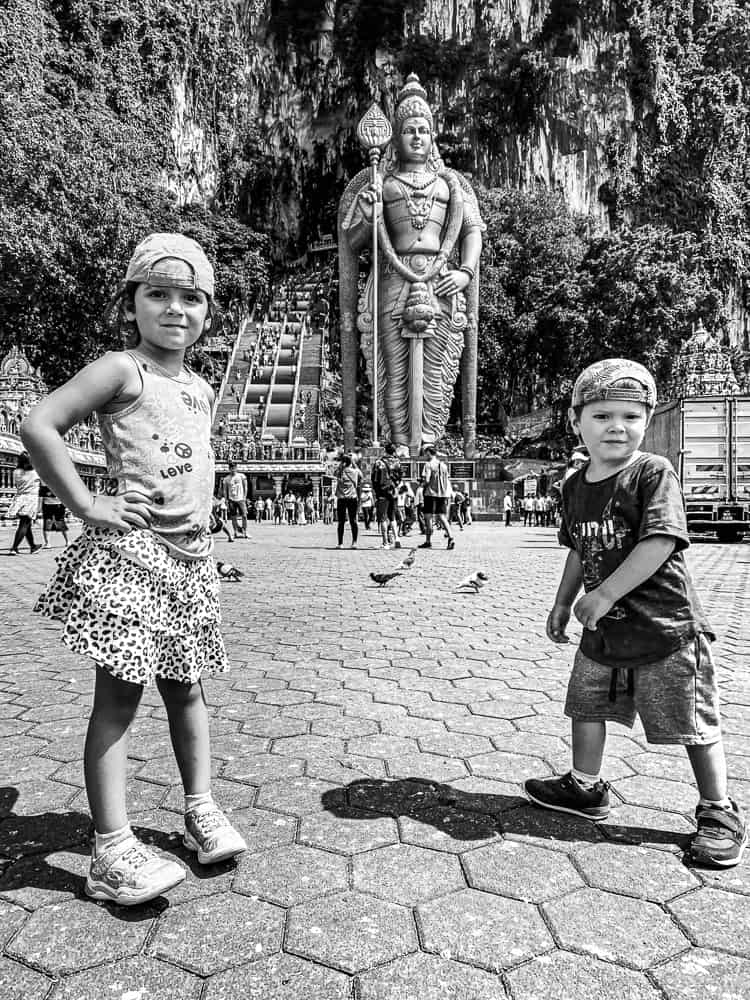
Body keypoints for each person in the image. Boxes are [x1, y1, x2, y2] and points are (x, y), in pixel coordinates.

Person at [21, 233, 246, 906]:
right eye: (159, 294)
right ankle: (112, 851)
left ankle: (200, 808)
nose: (176, 309)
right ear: (133, 303)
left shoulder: (201, 387)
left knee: (188, 690)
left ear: (207, 312)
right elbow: (40, 424)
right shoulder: (124, 370)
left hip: (189, 564)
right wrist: (89, 503)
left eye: (192, 297)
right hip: (132, 558)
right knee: (119, 698)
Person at [524, 358, 746, 867]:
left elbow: (663, 540)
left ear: (646, 420)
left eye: (630, 415)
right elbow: (579, 548)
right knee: (586, 705)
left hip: (666, 627)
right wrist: (564, 601)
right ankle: (585, 787)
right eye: (602, 416)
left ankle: (718, 809)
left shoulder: (652, 472)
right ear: (576, 419)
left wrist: (602, 596)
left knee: (691, 721)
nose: (617, 427)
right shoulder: (574, 485)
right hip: (604, 631)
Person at [338, 73, 485, 456]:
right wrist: (369, 215)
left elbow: (472, 232)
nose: (417, 137)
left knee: (437, 365)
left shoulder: (450, 185)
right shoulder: (380, 184)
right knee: (393, 366)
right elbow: (353, 242)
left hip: (440, 279)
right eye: (408, 131)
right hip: (392, 277)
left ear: (432, 135)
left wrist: (464, 271)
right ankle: (401, 442)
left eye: (423, 130)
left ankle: (431, 438)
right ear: (395, 138)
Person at [7, 451, 43, 555]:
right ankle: (14, 548)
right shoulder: (35, 472)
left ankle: (33, 546)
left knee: (26, 524)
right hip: (30, 499)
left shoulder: (16, 472)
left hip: (20, 498)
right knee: (24, 524)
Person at [420, 445, 454, 549]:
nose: (425, 455)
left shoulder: (428, 464)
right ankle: (451, 537)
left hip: (430, 493)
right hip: (442, 494)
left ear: (429, 453)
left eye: (425, 453)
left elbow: (426, 480)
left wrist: (422, 486)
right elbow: (447, 479)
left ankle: (428, 540)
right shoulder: (443, 465)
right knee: (442, 517)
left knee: (428, 517)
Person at [371, 442, 402, 549]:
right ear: (394, 451)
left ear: (385, 450)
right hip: (393, 493)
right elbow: (400, 477)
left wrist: (376, 492)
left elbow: (374, 479)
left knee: (383, 518)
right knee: (392, 517)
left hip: (382, 493)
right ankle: (397, 538)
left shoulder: (379, 463)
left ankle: (385, 543)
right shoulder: (398, 462)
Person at [334, 453, 362, 549]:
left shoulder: (340, 472)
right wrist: (353, 463)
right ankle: (354, 542)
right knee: (353, 520)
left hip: (341, 499)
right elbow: (361, 476)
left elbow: (334, 472)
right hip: (352, 498)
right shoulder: (355, 472)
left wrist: (342, 464)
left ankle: (340, 543)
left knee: (341, 522)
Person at [221, 462, 248, 538]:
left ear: (236, 468)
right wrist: (226, 500)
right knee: (233, 517)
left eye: (234, 468)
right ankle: (235, 532)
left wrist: (244, 497)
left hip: (240, 498)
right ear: (229, 469)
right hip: (231, 499)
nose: (233, 469)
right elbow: (224, 490)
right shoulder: (226, 479)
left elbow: (245, 487)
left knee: (244, 515)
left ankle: (244, 531)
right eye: (231, 468)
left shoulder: (241, 476)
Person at [40, 483, 70, 548]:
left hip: (53, 505)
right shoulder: (59, 484)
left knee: (58, 523)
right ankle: (66, 541)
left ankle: (48, 543)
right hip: (52, 505)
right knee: (50, 523)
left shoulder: (45, 485)